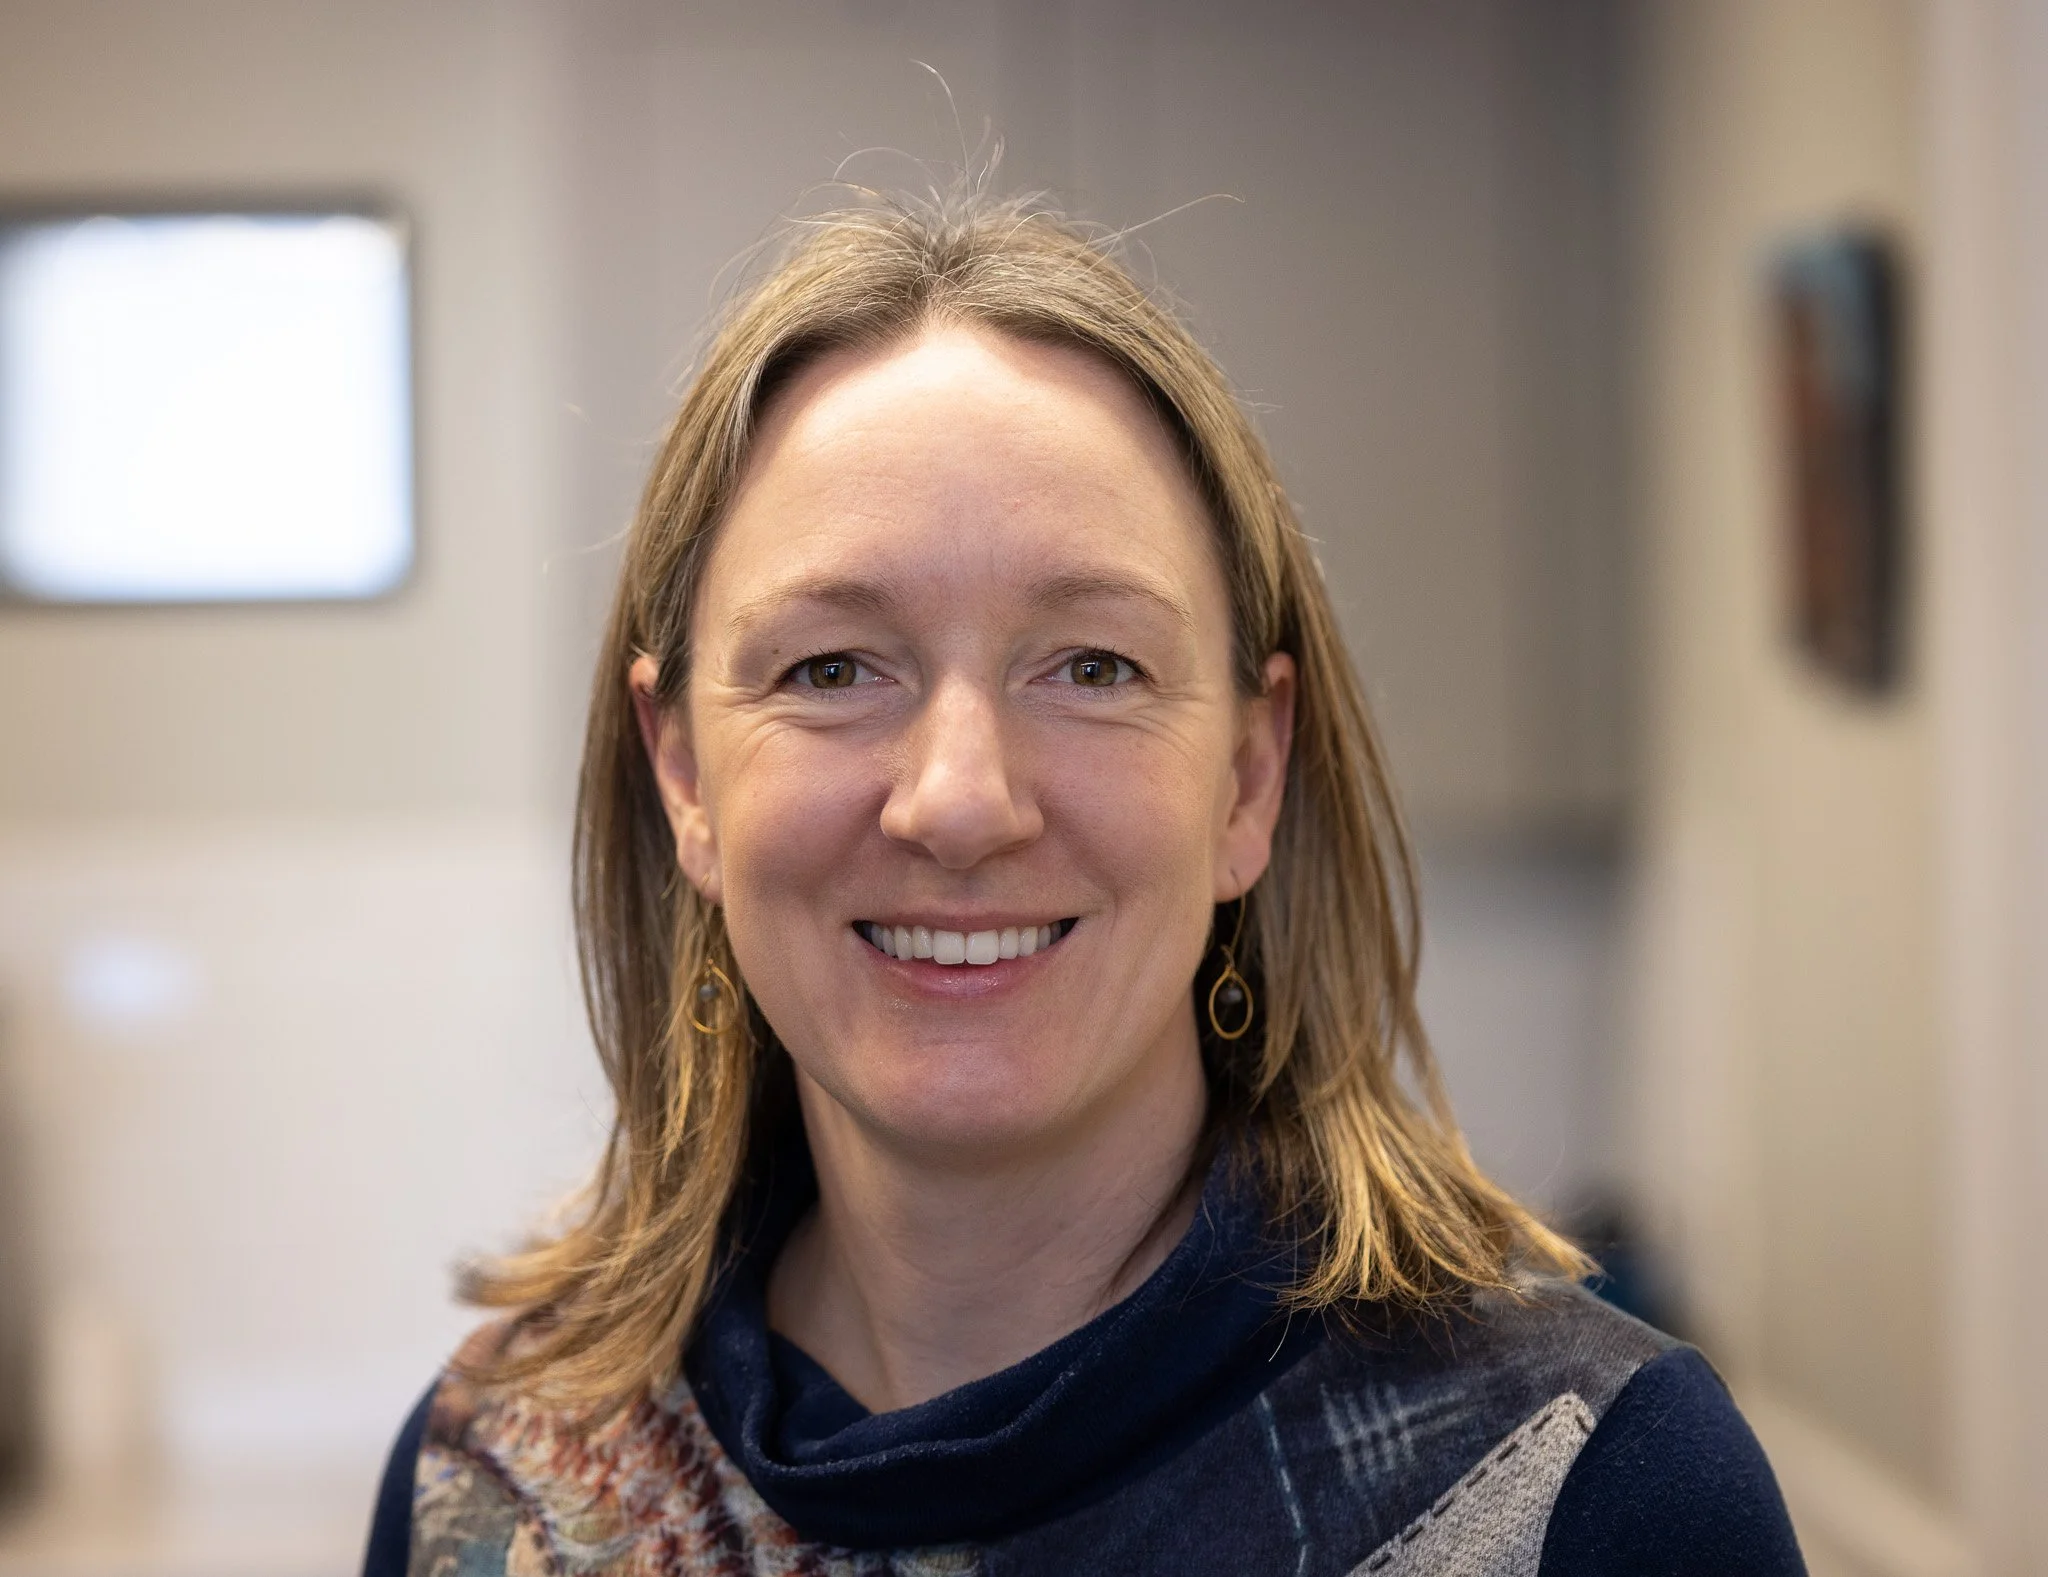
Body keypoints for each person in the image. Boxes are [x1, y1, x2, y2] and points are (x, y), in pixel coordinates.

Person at [361, 193, 1804, 1576]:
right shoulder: (501, 1487)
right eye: (832, 668)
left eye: (1093, 667)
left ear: (1247, 775)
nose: (962, 801)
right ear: (684, 776)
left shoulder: (1590, 1491)